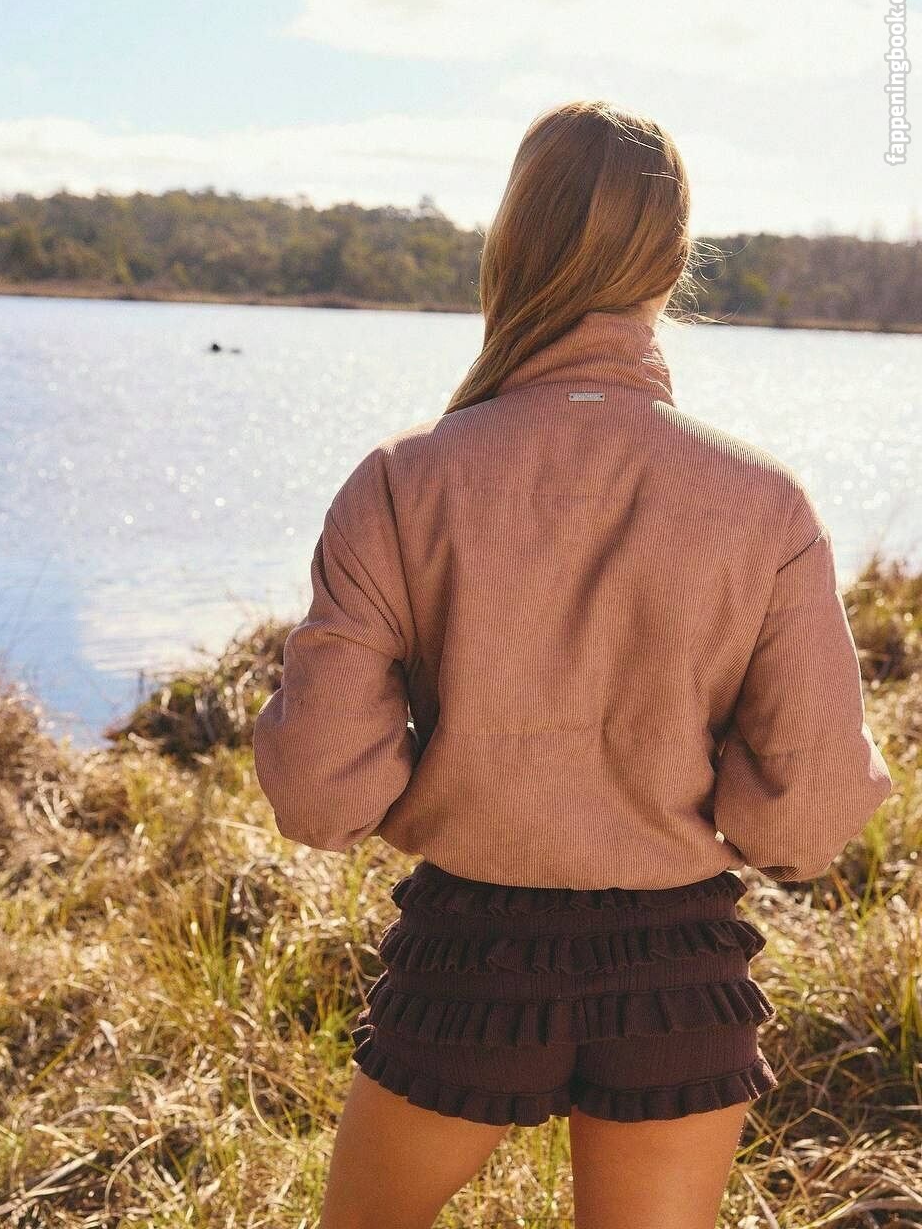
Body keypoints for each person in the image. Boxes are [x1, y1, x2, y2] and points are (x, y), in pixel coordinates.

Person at [253, 99, 893, 1229]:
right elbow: (806, 815)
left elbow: (319, 789)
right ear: (674, 263)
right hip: (678, 971)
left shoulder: (404, 480)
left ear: (509, 247)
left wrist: (457, 758)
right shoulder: (765, 501)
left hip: (469, 961)